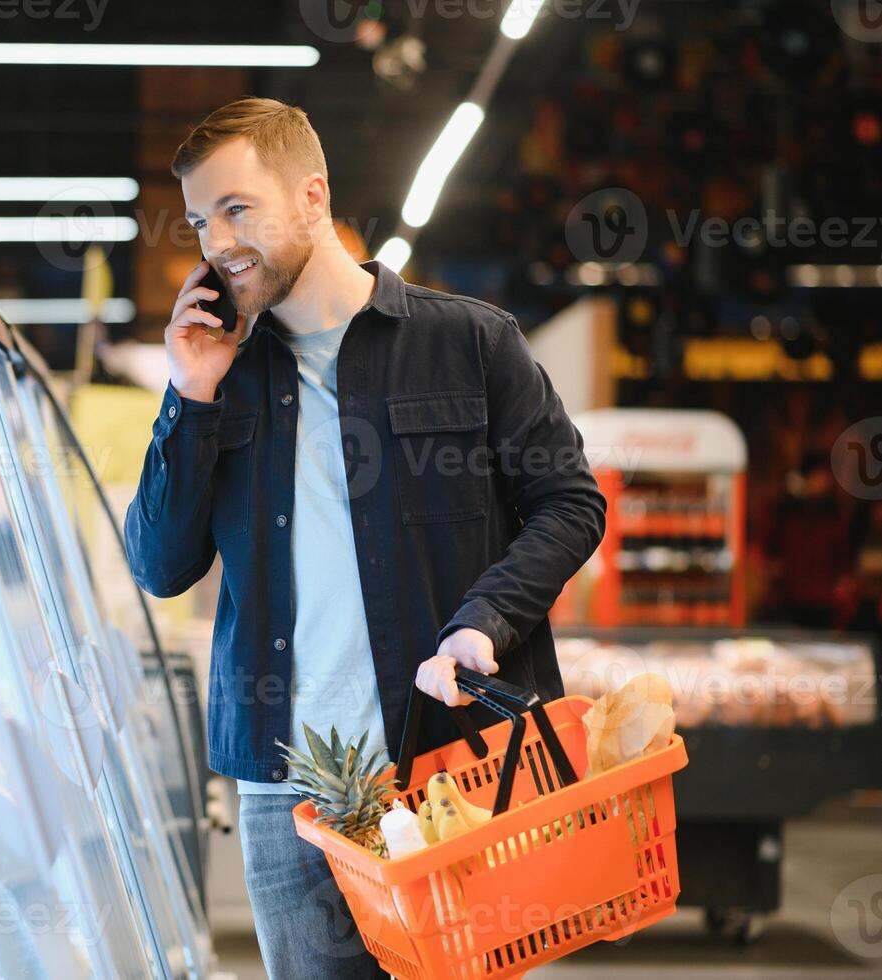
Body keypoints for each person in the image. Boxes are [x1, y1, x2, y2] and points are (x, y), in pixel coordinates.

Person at [123, 98, 607, 979]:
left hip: (451, 763)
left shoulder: (468, 341)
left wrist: (483, 621)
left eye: (237, 208)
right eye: (199, 221)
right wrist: (188, 393)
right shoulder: (220, 374)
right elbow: (159, 566)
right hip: (288, 789)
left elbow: (568, 503)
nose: (215, 241)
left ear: (311, 196)